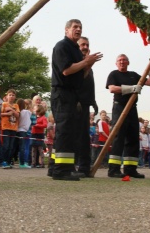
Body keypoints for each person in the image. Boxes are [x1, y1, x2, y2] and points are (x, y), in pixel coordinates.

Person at [49, 19, 102, 181]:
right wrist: (85, 62)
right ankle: (60, 170)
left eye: (80, 27)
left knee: (68, 133)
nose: (78, 29)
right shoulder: (62, 46)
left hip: (72, 94)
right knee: (64, 131)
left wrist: (88, 67)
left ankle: (60, 168)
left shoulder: (76, 51)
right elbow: (66, 71)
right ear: (66, 30)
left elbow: (80, 76)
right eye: (75, 27)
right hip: (62, 93)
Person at [106, 54, 150, 179]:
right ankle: (114, 169)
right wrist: (132, 88)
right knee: (118, 137)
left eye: (124, 60)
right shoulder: (114, 74)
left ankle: (130, 169)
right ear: (116, 63)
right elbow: (112, 89)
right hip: (119, 107)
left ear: (128, 62)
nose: (122, 62)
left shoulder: (133, 75)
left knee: (133, 138)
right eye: (119, 60)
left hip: (132, 109)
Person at [75, 36, 99, 176]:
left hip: (85, 105)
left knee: (84, 137)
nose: (85, 47)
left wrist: (93, 101)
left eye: (87, 45)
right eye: (82, 44)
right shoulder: (76, 63)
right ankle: (69, 166)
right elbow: (75, 83)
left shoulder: (89, 66)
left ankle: (84, 168)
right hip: (75, 104)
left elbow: (90, 86)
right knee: (75, 136)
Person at [0, 89, 20, 169]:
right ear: (7, 96)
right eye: (10, 95)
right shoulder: (4, 104)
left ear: (15, 97)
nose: (11, 96)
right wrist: (7, 114)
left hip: (14, 127)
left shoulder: (16, 106)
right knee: (6, 145)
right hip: (6, 126)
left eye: (13, 95)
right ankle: (4, 161)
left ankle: (8, 160)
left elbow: (18, 115)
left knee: (11, 146)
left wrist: (11, 110)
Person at [30, 103, 47, 168]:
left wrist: (37, 125)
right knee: (33, 149)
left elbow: (45, 125)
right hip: (33, 134)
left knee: (40, 149)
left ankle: (42, 163)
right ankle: (33, 163)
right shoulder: (34, 117)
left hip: (40, 135)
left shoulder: (43, 118)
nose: (34, 110)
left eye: (35, 109)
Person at [17, 98, 32, 169]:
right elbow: (31, 113)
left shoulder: (17, 112)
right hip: (23, 130)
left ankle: (11, 161)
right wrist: (28, 105)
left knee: (17, 147)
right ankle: (22, 163)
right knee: (23, 147)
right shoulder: (26, 112)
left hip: (17, 130)